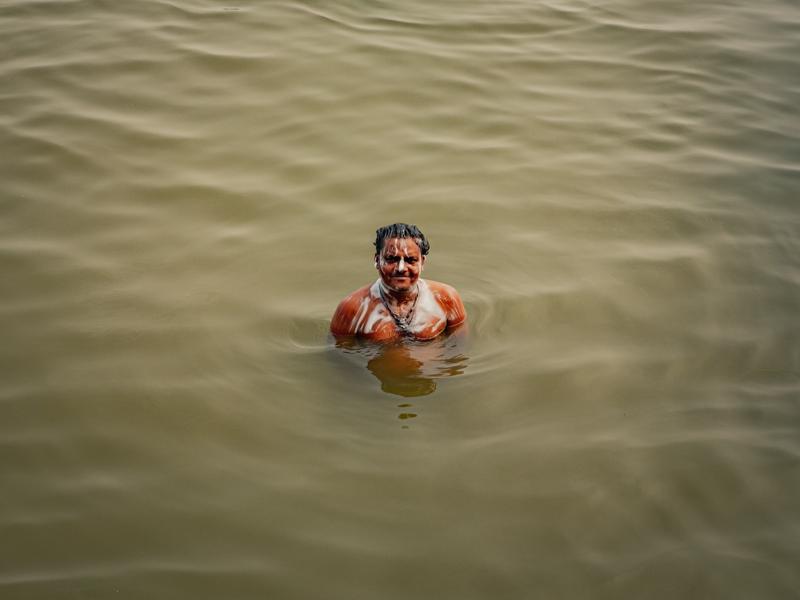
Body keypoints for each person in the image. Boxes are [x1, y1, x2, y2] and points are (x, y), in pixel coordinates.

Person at [330, 223, 466, 341]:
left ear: (422, 262)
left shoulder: (447, 299)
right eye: (391, 259)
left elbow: (459, 348)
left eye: (410, 260)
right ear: (377, 261)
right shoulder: (352, 308)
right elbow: (340, 358)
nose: (401, 268)